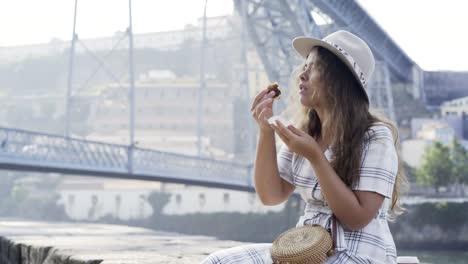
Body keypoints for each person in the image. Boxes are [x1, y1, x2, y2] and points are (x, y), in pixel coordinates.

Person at [201, 30, 408, 264]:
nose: (302, 74)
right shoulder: (306, 133)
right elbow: (271, 195)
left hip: (359, 253)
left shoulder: (374, 137)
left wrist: (316, 157)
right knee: (217, 261)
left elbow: (357, 218)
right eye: (304, 66)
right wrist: (265, 131)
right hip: (304, 249)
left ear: (338, 81)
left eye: (314, 67)